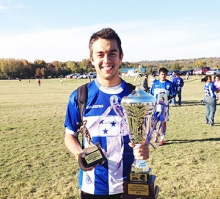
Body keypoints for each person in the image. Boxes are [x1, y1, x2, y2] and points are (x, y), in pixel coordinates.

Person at [64, 28, 149, 199]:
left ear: (121, 56)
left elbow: (141, 138)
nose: (106, 60)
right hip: (93, 188)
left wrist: (144, 150)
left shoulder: (136, 97)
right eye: (100, 54)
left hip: (129, 186)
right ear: (92, 59)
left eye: (112, 53)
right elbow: (69, 135)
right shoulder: (80, 96)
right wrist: (78, 153)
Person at [150, 67, 176, 146]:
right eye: (162, 74)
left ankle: (162, 138)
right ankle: (155, 133)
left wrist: (168, 98)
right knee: (152, 122)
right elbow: (151, 94)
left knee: (163, 122)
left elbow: (174, 94)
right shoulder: (155, 84)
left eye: (165, 74)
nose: (163, 76)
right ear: (159, 74)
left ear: (166, 75)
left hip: (164, 107)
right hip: (155, 106)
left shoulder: (169, 84)